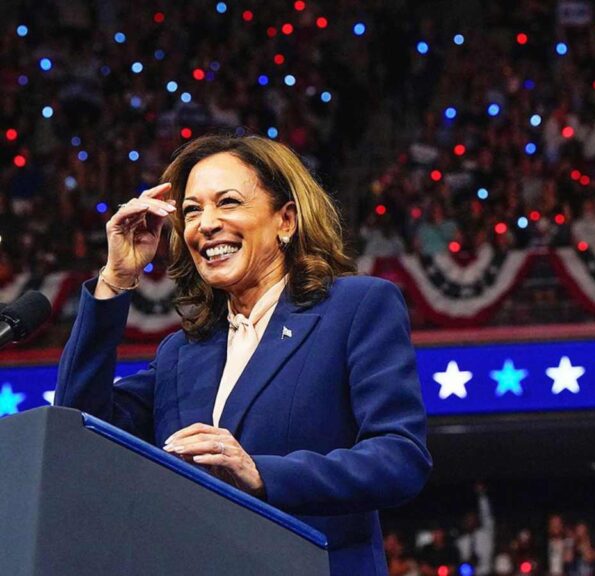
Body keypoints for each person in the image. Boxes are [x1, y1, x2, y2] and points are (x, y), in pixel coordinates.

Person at [55, 134, 432, 575]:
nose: (206, 224)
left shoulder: (355, 308)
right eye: (192, 211)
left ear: (285, 219)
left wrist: (261, 474)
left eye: (228, 202)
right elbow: (79, 429)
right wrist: (116, 279)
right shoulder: (182, 353)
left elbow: (400, 457)